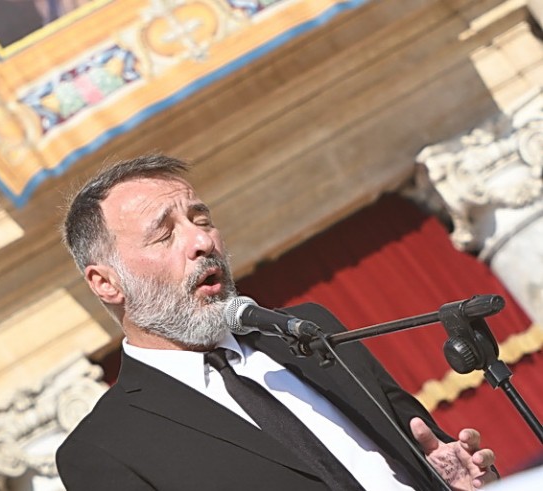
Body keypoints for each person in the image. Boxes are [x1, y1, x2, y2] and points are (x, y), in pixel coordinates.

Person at [56, 154, 498, 490]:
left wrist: (447, 475)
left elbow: (424, 444)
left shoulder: (307, 331)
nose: (201, 241)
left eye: (201, 219)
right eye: (164, 233)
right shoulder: (104, 448)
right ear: (106, 283)